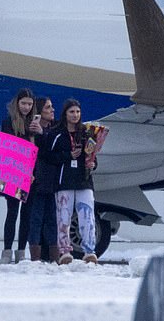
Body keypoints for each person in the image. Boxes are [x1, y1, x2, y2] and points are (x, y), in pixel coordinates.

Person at [47, 98, 98, 264]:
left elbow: (93, 156)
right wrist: (67, 156)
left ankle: (89, 251)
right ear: (65, 114)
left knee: (87, 215)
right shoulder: (57, 133)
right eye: (71, 112)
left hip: (84, 180)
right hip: (64, 180)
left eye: (77, 112)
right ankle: (64, 251)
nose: (75, 115)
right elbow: (48, 156)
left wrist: (92, 164)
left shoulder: (87, 133)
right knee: (63, 216)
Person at [0, 88, 42, 263]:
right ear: (17, 104)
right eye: (23, 103)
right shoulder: (9, 121)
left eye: (30, 104)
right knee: (12, 212)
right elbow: (11, 147)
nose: (26, 107)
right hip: (15, 173)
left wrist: (38, 132)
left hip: (32, 175)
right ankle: (7, 250)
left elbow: (41, 148)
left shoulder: (36, 123)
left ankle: (21, 251)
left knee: (27, 214)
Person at [28, 97, 59, 262]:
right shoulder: (33, 130)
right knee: (36, 218)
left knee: (52, 218)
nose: (52, 110)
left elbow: (56, 147)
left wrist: (43, 132)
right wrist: (36, 133)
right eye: (48, 107)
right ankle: (35, 255)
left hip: (53, 179)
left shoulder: (55, 128)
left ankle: (53, 254)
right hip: (38, 178)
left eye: (52, 106)